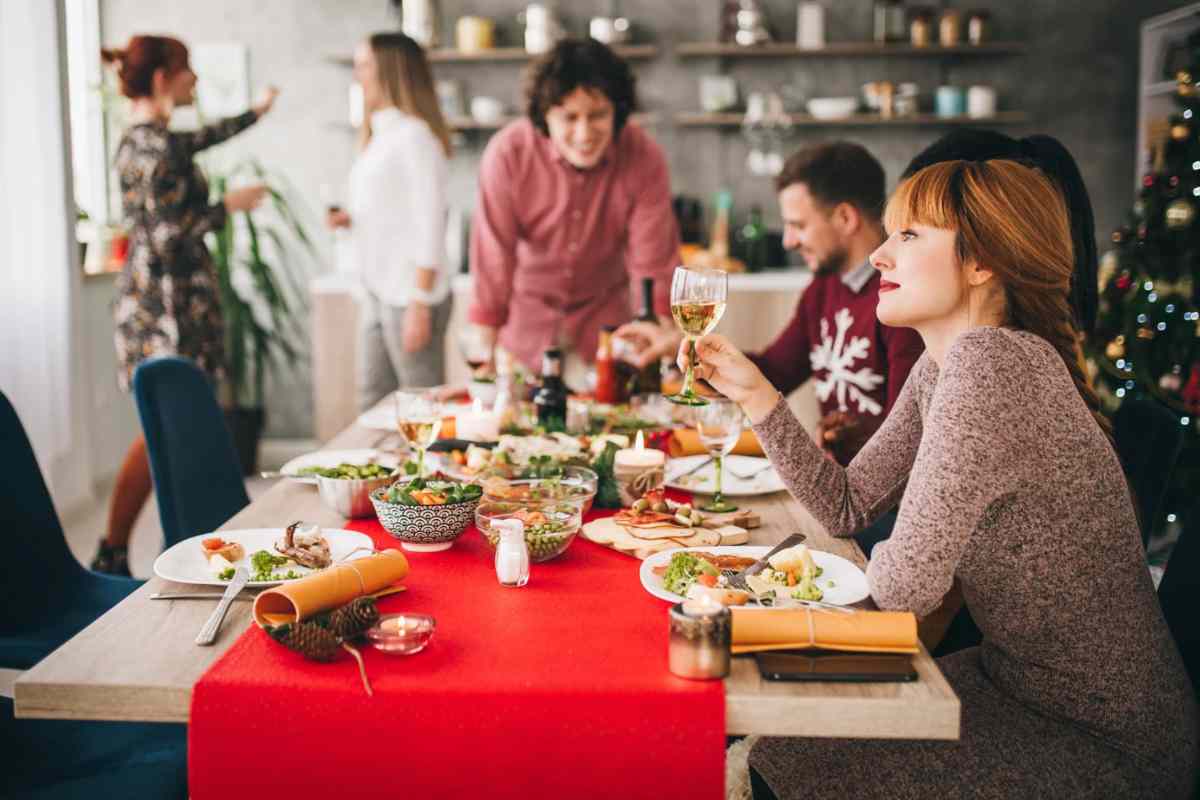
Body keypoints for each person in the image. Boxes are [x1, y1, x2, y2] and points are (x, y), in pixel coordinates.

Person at [686, 159, 1198, 798]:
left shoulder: (992, 367)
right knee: (781, 752)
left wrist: (778, 602)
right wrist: (758, 395)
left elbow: (903, 589)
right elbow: (846, 504)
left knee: (777, 765)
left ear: (981, 261)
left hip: (1102, 738)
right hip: (1011, 681)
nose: (877, 255)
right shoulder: (948, 364)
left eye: (908, 236)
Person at [618, 142, 925, 467]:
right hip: (838, 483)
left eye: (798, 225)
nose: (787, 240)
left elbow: (908, 438)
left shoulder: (900, 300)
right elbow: (775, 372)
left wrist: (850, 435)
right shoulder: (822, 289)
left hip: (881, 501)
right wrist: (683, 349)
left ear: (846, 218)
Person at [93, 36, 276, 575]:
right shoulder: (157, 147)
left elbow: (202, 137)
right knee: (164, 428)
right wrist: (228, 206)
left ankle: (149, 547)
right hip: (167, 310)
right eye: (186, 69)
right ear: (161, 79)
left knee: (169, 428)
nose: (194, 78)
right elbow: (167, 235)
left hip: (157, 304)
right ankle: (119, 548)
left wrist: (256, 112)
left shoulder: (143, 140)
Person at [467, 38, 680, 388]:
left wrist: (661, 340)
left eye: (598, 115)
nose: (584, 134)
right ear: (544, 116)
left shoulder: (644, 156)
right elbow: (493, 258)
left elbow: (653, 262)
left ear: (618, 111)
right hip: (525, 333)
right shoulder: (508, 154)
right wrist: (482, 356)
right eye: (569, 117)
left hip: (607, 334)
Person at [327, 32, 454, 412]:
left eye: (364, 66)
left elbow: (431, 222)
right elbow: (390, 212)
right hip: (378, 290)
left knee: (421, 406)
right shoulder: (382, 137)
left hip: (410, 294)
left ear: (391, 71)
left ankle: (428, 474)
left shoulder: (415, 137)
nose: (357, 76)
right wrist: (351, 221)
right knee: (373, 400)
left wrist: (419, 302)